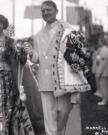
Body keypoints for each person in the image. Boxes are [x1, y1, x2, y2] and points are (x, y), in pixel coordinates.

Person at [25, 1, 90, 135]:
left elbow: (79, 50)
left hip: (63, 79)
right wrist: (31, 53)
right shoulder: (37, 36)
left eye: (48, 10)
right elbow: (36, 59)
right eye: (43, 11)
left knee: (63, 112)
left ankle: (58, 132)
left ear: (56, 11)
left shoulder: (68, 30)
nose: (45, 13)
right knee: (49, 116)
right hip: (45, 79)